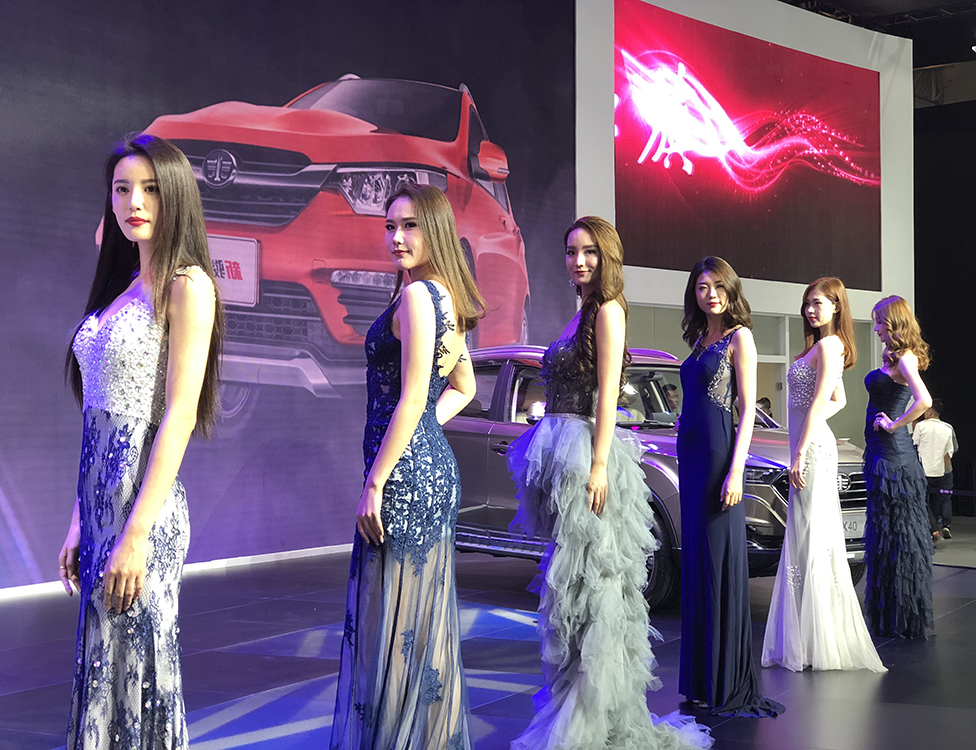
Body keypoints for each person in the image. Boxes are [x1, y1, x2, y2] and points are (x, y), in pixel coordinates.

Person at [507, 217, 712, 750]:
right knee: (572, 589)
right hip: (564, 452)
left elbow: (606, 394)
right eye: (571, 251)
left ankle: (594, 716)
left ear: (607, 257)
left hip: (587, 456)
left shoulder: (609, 310)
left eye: (590, 252)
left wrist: (598, 464)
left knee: (596, 584)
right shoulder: (583, 312)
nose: (578, 261)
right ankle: (575, 702)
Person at [60, 134, 223, 748]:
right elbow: (96, 421)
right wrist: (80, 517)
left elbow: (179, 415)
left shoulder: (188, 285)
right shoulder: (125, 285)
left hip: (142, 512)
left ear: (175, 194)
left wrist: (135, 534)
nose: (134, 202)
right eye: (122, 189)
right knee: (104, 669)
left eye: (150, 189)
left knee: (140, 675)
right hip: (101, 506)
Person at [330, 183, 481, 750]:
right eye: (390, 226)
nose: (396, 237)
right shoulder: (445, 297)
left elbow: (415, 395)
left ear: (435, 230)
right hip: (426, 467)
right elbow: (463, 387)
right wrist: (421, 432)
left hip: (402, 477)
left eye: (410, 225)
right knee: (421, 625)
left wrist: (376, 480)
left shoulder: (419, 295)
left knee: (392, 626)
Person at [761, 278, 885, 673]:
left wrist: (800, 449)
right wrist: (806, 431)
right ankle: (808, 636)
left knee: (812, 534)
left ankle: (815, 641)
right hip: (811, 443)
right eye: (807, 303)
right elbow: (839, 400)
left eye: (818, 303)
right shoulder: (820, 347)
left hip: (811, 450)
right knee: (806, 533)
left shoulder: (830, 346)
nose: (810, 310)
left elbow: (819, 403)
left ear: (836, 306)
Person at [677, 256, 784, 717]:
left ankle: (724, 681)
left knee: (717, 561)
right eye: (702, 287)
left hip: (719, 457)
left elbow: (746, 411)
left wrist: (737, 471)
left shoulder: (740, 338)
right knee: (697, 563)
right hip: (690, 458)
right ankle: (700, 679)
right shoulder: (699, 339)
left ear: (731, 289)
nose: (711, 294)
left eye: (718, 286)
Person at [863, 295, 934, 639]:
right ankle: (892, 614)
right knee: (889, 534)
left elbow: (924, 400)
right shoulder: (896, 356)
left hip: (893, 456)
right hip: (882, 453)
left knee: (900, 535)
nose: (876, 328)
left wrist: (894, 424)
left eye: (879, 322)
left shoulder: (905, 358)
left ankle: (902, 616)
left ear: (893, 323)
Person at [913, 399, 957, 540]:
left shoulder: (920, 426)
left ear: (930, 411)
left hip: (922, 472)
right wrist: (941, 470)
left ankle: (932, 531)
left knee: (923, 502)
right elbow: (949, 454)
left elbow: (913, 446)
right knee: (938, 500)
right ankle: (943, 526)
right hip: (940, 472)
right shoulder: (947, 428)